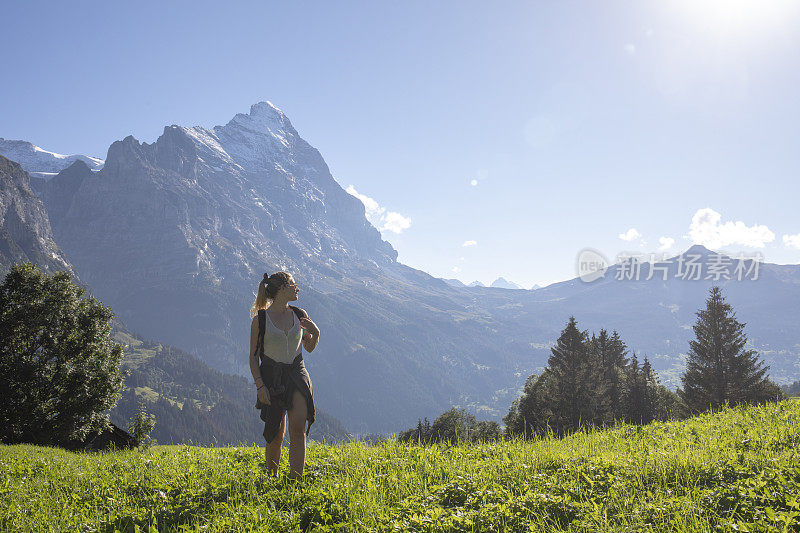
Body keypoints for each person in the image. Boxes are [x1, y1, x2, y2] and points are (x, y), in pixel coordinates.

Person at [249, 271, 320, 479]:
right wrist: (260, 386)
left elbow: (309, 348)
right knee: (276, 434)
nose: (297, 288)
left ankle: (296, 481)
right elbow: (253, 358)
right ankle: (272, 478)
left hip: (297, 375)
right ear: (282, 289)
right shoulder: (260, 320)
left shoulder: (299, 314)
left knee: (297, 430)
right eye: (293, 285)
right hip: (272, 378)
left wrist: (315, 333)